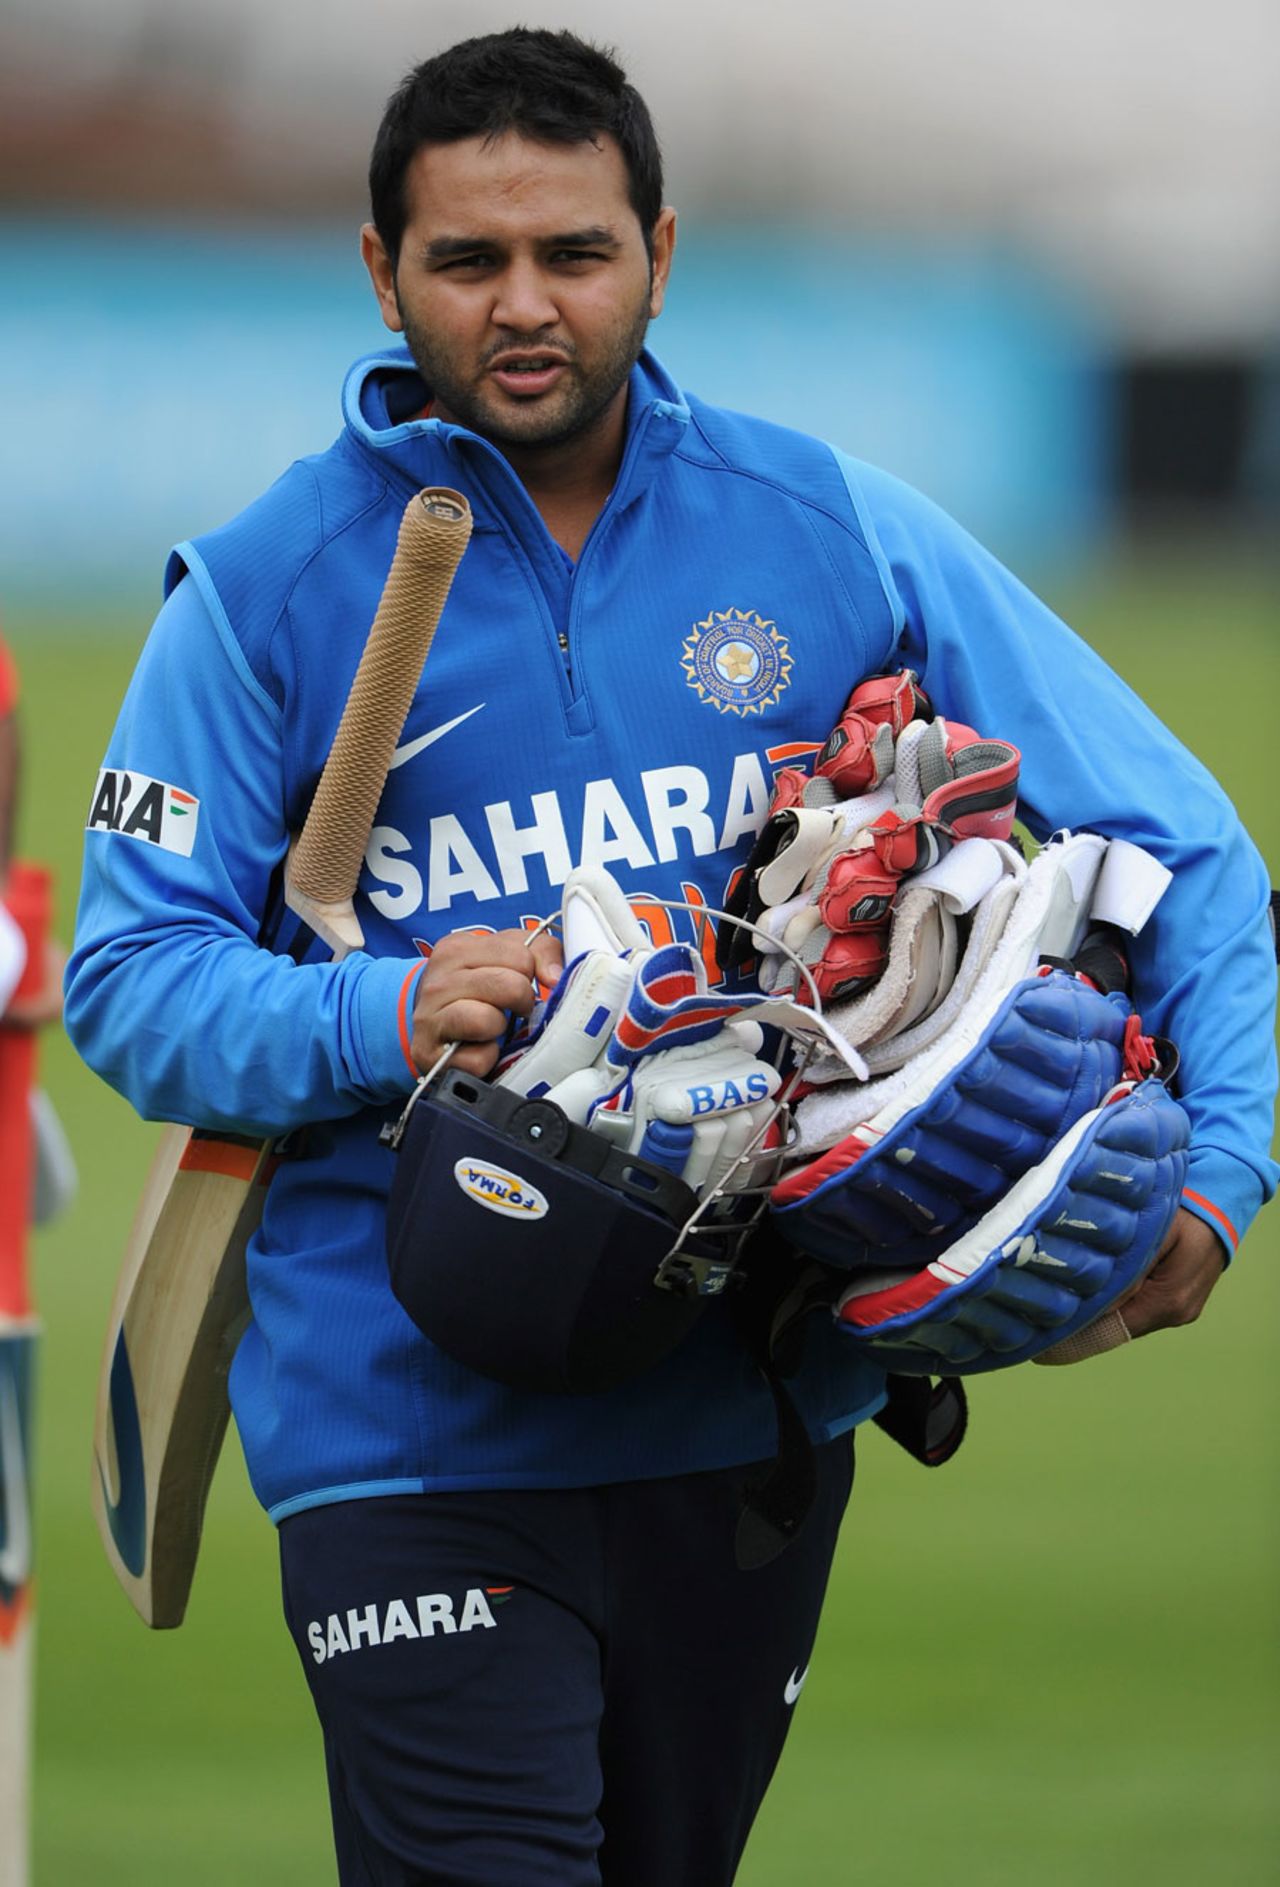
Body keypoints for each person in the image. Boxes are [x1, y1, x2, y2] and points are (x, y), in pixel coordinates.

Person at [65, 27, 1277, 1887]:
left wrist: (1220, 1176)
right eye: (469, 262)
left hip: (746, 1414)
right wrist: (382, 1010)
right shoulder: (268, 590)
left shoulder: (828, 527)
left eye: (578, 253)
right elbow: (129, 980)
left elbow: (1185, 844)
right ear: (384, 273)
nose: (526, 305)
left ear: (662, 251)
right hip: (407, 1424)